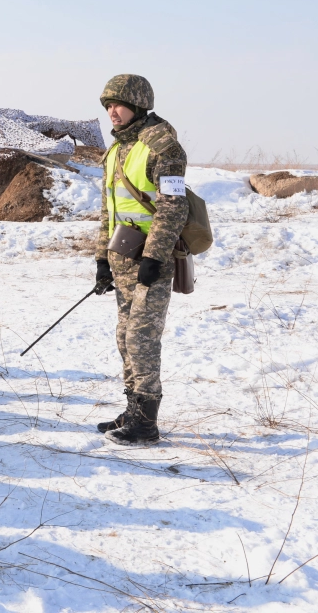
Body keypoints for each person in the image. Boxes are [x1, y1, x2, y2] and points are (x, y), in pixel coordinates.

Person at [93, 74, 188, 445]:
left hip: (153, 261)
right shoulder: (117, 149)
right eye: (107, 106)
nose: (111, 112)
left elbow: (172, 205)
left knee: (141, 340)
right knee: (124, 338)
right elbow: (108, 210)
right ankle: (134, 409)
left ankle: (146, 424)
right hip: (122, 259)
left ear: (137, 104)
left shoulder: (163, 147)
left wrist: (155, 255)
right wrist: (102, 259)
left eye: (116, 104)